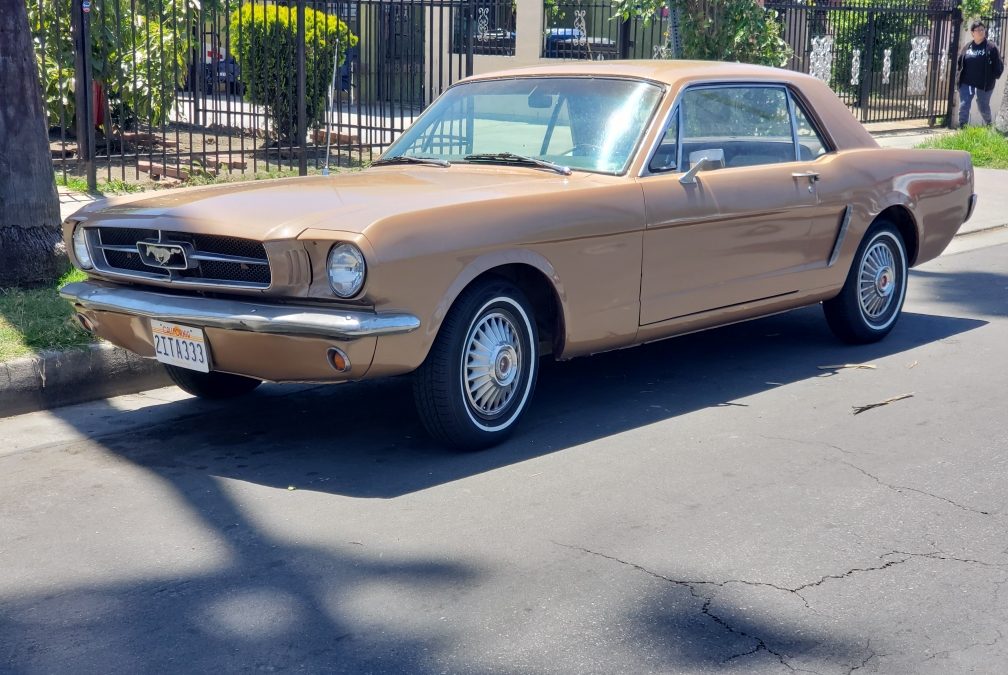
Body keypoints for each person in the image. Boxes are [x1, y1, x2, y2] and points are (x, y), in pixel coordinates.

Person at [957, 21, 1004, 127]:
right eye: (978, 30)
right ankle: (962, 126)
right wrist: (958, 76)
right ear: (972, 33)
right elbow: (960, 62)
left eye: (982, 29)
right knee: (964, 103)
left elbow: (998, 64)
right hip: (967, 81)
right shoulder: (967, 47)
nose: (981, 32)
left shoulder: (990, 47)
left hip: (984, 82)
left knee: (982, 106)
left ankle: (989, 124)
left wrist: (995, 75)